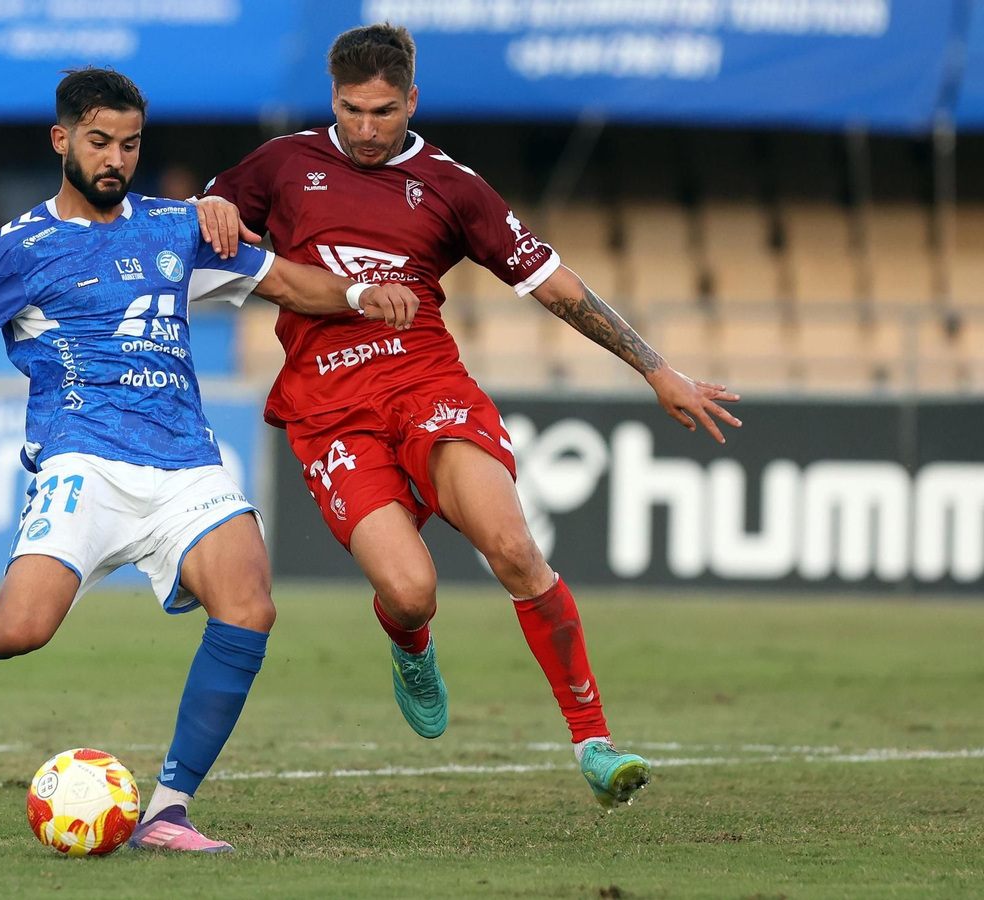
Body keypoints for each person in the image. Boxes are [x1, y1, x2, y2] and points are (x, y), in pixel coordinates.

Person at [0, 66, 418, 852]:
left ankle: (168, 811)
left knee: (250, 605)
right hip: (83, 464)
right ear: (62, 141)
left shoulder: (180, 227)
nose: (115, 158)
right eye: (98, 142)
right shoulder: (18, 249)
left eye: (129, 143)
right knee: (20, 628)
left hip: (186, 463)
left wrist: (359, 295)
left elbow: (282, 281)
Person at [196, 24, 741, 808]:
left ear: (411, 100)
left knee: (515, 548)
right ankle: (410, 643)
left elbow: (552, 284)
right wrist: (212, 205)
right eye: (352, 110)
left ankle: (593, 741)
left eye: (384, 111)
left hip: (427, 384)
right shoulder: (283, 163)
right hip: (329, 407)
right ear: (334, 100)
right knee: (412, 591)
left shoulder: (453, 187)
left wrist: (655, 368)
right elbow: (211, 207)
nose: (367, 128)